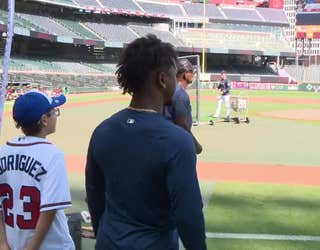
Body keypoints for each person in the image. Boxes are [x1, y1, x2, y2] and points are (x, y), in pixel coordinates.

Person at [85, 35, 206, 250]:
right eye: (172, 72)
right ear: (162, 79)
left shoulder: (102, 131)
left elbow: (95, 198)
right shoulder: (178, 141)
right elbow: (189, 215)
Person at [0, 90, 75, 250]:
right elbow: (49, 211)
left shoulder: (3, 152)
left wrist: (2, 243)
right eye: (54, 111)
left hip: (13, 244)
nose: (56, 114)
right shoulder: (53, 155)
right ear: (44, 120)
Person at [164, 58, 202, 154]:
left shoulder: (170, 90)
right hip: (176, 144)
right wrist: (195, 144)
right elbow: (182, 124)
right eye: (191, 72)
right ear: (185, 74)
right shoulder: (180, 94)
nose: (193, 75)